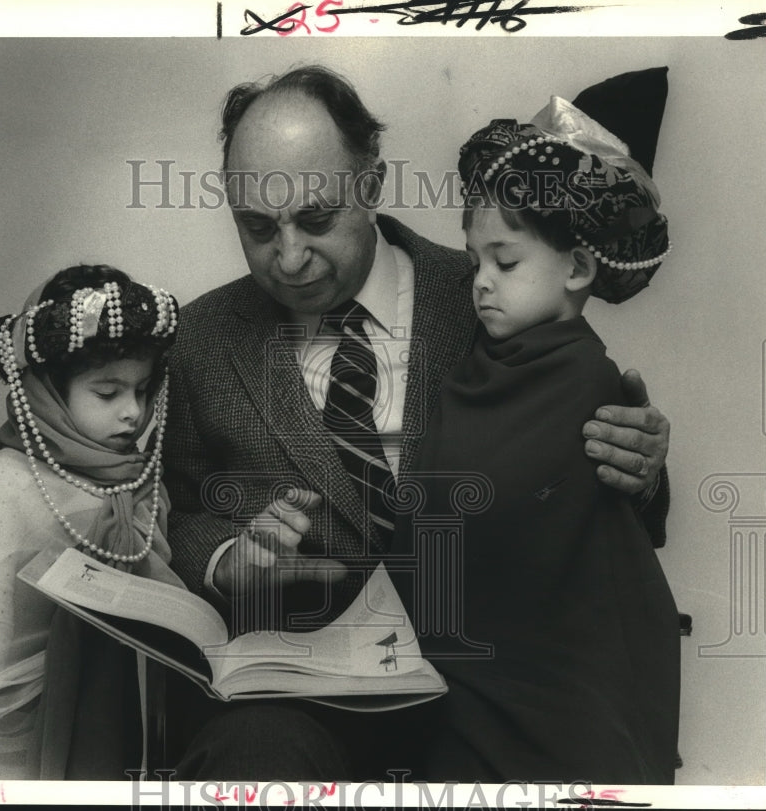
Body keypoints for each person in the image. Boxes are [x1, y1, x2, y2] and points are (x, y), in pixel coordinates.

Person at [161, 65, 672, 778]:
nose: (289, 256)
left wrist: (641, 472)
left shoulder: (490, 293)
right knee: (252, 753)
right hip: (306, 699)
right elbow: (177, 511)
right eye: (256, 227)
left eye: (315, 218)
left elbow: (592, 511)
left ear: (370, 188)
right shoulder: (200, 338)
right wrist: (226, 559)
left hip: (499, 686)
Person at [400, 67, 680, 783]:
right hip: (456, 669)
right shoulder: (476, 365)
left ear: (579, 268)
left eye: (505, 260)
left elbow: (544, 518)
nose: (481, 281)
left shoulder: (586, 380)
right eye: (473, 261)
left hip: (556, 687)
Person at [0, 264, 182, 779]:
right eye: (107, 393)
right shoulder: (7, 485)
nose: (134, 412)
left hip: (120, 734)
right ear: (49, 393)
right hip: (1, 741)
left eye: (144, 390)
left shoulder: (141, 482)